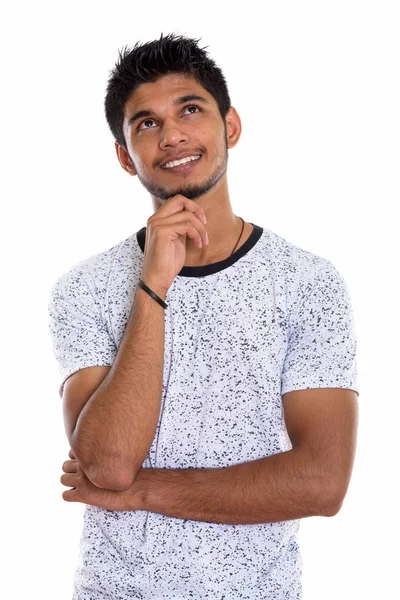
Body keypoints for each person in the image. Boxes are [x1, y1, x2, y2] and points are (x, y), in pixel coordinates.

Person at [47, 32, 359, 600]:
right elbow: (110, 465)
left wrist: (145, 493)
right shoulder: (84, 289)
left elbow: (322, 483)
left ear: (230, 126)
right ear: (125, 155)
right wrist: (154, 284)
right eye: (146, 123)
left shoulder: (308, 284)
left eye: (189, 109)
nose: (172, 135)